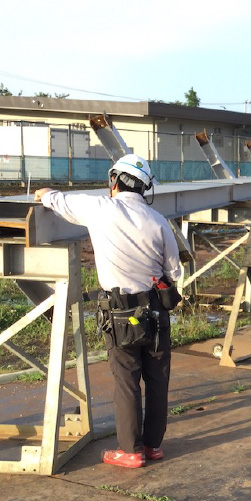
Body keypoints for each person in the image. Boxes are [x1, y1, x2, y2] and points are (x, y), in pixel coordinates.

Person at [34, 154, 183, 468]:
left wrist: (44, 195)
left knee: (127, 381)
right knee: (157, 380)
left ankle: (130, 450)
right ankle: (153, 445)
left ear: (114, 180)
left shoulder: (100, 209)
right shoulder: (158, 221)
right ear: (145, 188)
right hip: (155, 312)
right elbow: (174, 269)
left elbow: (61, 202)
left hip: (120, 314)